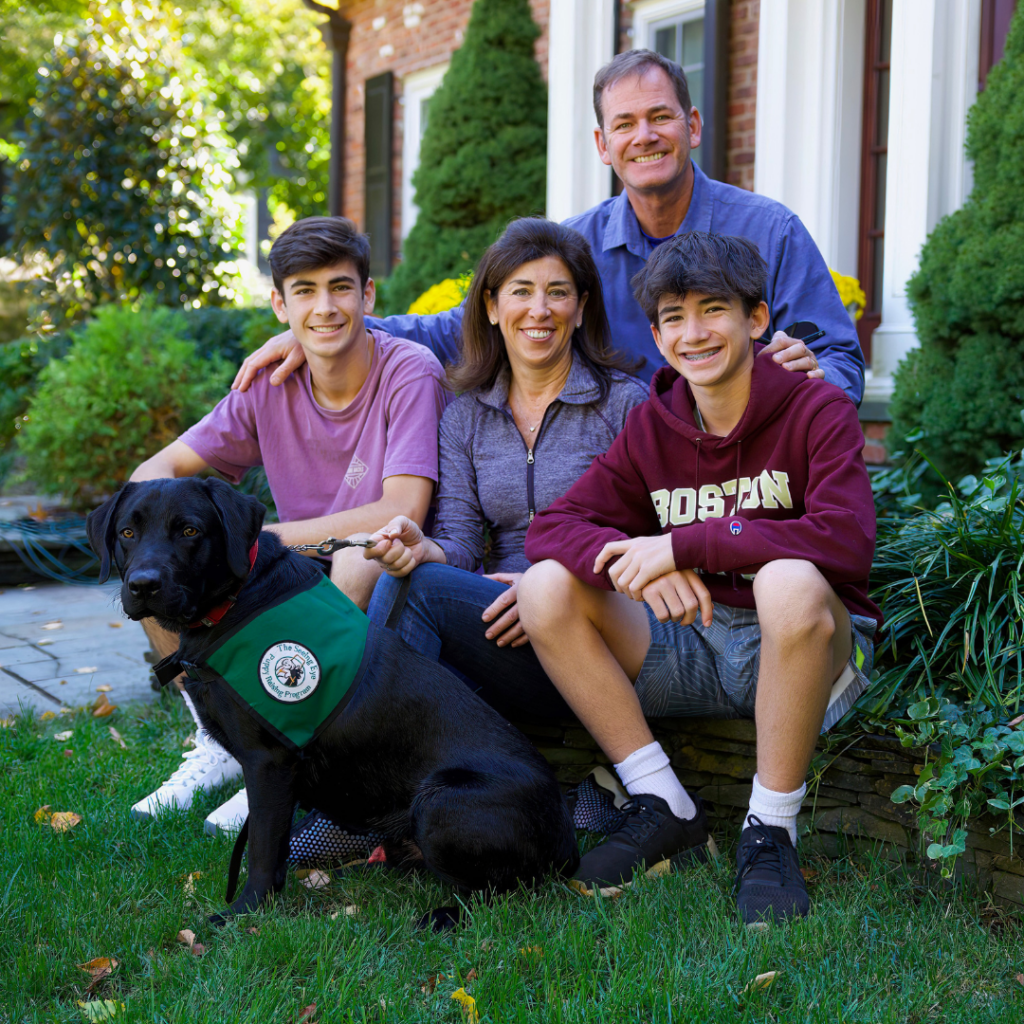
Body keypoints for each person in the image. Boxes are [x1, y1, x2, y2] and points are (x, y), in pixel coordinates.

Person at [515, 231, 880, 926]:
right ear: (656, 336)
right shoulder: (655, 426)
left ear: (757, 319)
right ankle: (663, 802)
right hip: (695, 642)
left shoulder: (816, 409)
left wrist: (685, 543)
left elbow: (847, 540)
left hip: (806, 652)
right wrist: (642, 570)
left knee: (788, 581)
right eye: (674, 317)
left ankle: (770, 831)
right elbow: (552, 528)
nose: (695, 332)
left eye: (713, 309)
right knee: (545, 587)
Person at [232, 50, 862, 401]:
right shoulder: (573, 246)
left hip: (744, 471)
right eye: (624, 124)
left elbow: (840, 361)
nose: (644, 136)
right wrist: (335, 328)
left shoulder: (769, 230)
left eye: (660, 117)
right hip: (623, 475)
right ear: (602, 143)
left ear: (692, 127)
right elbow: (460, 329)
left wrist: (813, 379)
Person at [127, 216, 447, 834]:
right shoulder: (267, 384)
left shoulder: (409, 371)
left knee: (359, 554)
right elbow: (156, 473)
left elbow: (400, 509)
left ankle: (287, 749)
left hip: (374, 568)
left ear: (369, 296)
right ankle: (219, 737)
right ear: (280, 303)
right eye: (304, 290)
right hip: (284, 568)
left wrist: (254, 539)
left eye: (340, 287)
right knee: (156, 568)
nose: (324, 308)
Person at [360, 218, 647, 719]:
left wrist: (547, 588)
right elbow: (462, 541)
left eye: (558, 292)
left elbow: (646, 534)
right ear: (492, 307)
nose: (539, 310)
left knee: (413, 599)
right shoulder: (466, 417)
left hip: (597, 624)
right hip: (500, 621)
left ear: (580, 309)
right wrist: (424, 548)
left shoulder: (623, 405)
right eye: (521, 291)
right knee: (404, 578)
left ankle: (362, 761)